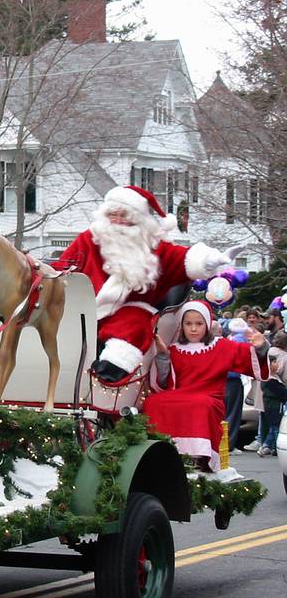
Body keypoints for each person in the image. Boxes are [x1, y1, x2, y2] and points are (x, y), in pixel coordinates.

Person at [53, 185, 240, 383]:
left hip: (129, 310)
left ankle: (110, 371)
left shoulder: (154, 247)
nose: (116, 221)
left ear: (137, 218)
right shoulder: (88, 239)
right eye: (112, 215)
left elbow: (185, 258)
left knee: (133, 324)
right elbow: (61, 269)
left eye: (123, 215)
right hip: (83, 309)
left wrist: (210, 259)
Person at [145, 301, 268, 472]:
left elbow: (251, 359)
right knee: (153, 402)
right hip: (180, 394)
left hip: (210, 396)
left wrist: (261, 346)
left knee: (201, 404)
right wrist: (164, 356)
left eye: (198, 324)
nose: (193, 329)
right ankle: (161, 451)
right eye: (188, 324)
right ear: (182, 325)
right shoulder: (175, 349)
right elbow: (163, 383)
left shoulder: (222, 346)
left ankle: (199, 458)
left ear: (207, 324)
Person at [258, 332, 287, 456]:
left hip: (271, 404)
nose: (277, 364)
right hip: (274, 405)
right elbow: (279, 391)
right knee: (275, 426)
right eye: (274, 363)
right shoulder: (271, 380)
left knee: (273, 426)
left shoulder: (273, 378)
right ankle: (271, 446)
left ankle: (267, 446)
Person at [223, 318, 250, 453]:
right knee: (233, 413)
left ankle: (222, 443)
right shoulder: (241, 340)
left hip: (222, 379)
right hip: (233, 379)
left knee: (223, 413)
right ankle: (228, 445)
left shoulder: (229, 338)